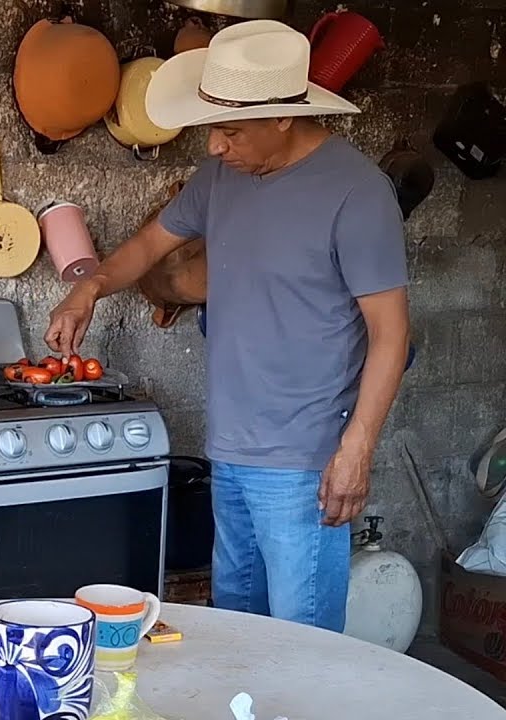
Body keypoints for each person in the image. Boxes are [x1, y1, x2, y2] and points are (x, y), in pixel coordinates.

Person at [45, 20, 409, 632]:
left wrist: (357, 449)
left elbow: (391, 335)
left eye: (230, 130)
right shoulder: (224, 175)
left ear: (283, 118)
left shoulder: (357, 194)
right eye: (213, 127)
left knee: (303, 645)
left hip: (306, 464)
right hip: (231, 451)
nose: (214, 146)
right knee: (237, 633)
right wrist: (90, 287)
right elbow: (148, 244)